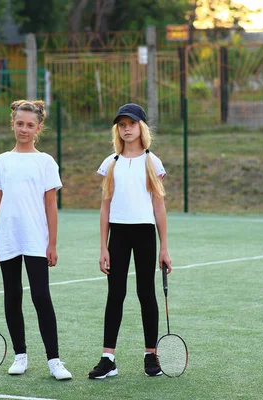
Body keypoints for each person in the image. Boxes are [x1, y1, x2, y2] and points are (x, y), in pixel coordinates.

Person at [0, 99, 72, 381]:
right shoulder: (0, 162)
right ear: (13, 124)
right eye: (19, 124)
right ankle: (19, 355)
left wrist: (52, 243)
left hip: (36, 239)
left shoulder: (46, 162)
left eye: (30, 125)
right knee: (12, 296)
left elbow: (51, 206)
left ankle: (54, 360)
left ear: (38, 128)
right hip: (7, 238)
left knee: (41, 297)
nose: (24, 129)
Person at [88, 103, 172, 379]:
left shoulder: (152, 162)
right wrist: (103, 247)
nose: (126, 129)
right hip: (119, 236)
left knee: (146, 294)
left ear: (141, 127)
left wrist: (165, 248)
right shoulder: (110, 163)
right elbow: (105, 208)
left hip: (145, 234)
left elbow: (159, 207)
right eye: (122, 125)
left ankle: (151, 356)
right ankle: (108, 358)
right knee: (116, 294)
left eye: (131, 124)